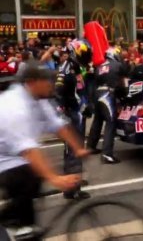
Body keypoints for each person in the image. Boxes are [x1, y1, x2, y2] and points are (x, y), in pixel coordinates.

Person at [0, 60, 89, 238]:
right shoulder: (15, 107)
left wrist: (78, 149)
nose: (51, 84)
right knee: (26, 177)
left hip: (16, 154)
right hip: (5, 158)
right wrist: (56, 179)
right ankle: (9, 224)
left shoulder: (38, 98)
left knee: (31, 186)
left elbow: (57, 125)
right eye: (46, 81)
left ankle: (24, 226)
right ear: (32, 83)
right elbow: (29, 150)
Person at [55, 39, 93, 200]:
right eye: (83, 54)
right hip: (70, 115)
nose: (85, 57)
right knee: (73, 150)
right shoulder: (66, 69)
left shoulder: (74, 67)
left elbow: (79, 90)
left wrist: (85, 107)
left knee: (75, 149)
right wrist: (64, 115)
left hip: (76, 112)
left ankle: (73, 181)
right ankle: (72, 189)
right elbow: (59, 93)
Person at [87, 48, 126, 164]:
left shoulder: (99, 66)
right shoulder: (118, 65)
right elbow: (123, 82)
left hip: (97, 94)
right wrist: (124, 95)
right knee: (111, 122)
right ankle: (107, 154)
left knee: (97, 120)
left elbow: (93, 82)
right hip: (108, 94)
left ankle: (90, 146)